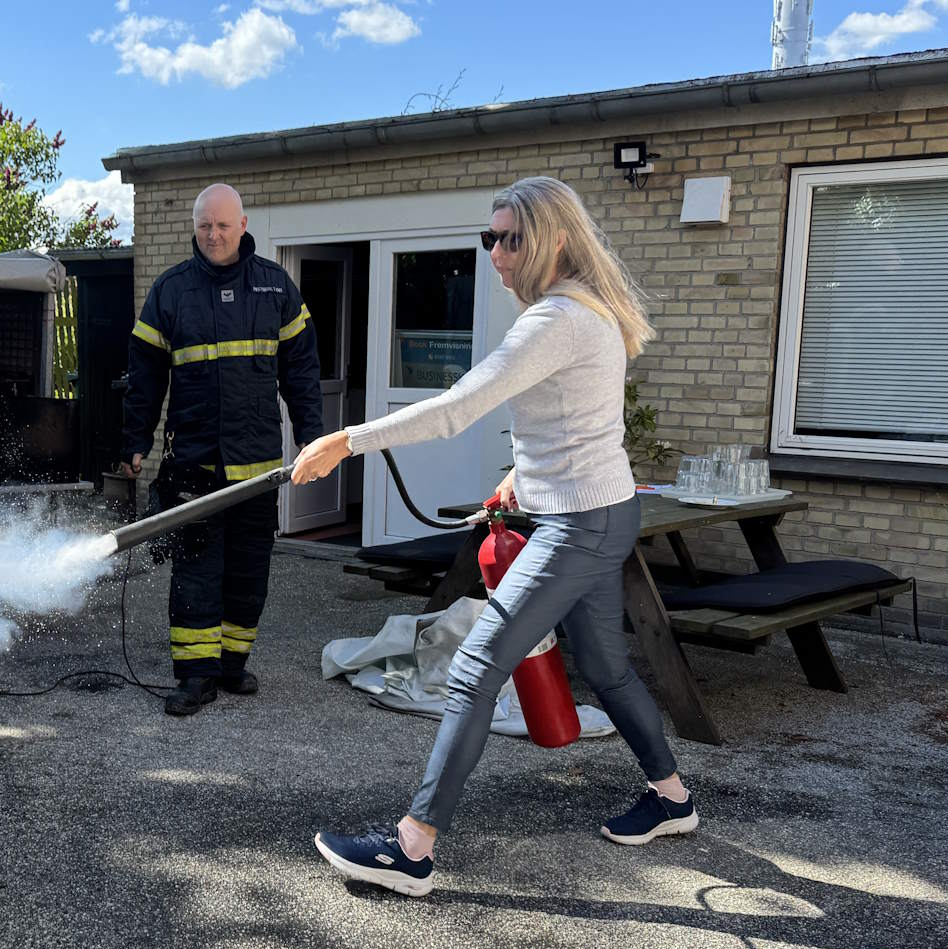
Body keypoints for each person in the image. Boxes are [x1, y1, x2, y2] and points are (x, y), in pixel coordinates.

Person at [291, 176, 698, 897]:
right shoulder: (587, 310)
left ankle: (411, 849)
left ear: (554, 240)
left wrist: (347, 440)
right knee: (605, 667)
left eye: (510, 238)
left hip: (580, 525)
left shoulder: (557, 320)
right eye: (490, 237)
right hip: (603, 511)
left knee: (477, 665)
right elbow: (576, 422)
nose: (496, 253)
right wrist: (520, 477)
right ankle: (672, 798)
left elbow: (457, 409)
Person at [121, 183, 324, 717]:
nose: (213, 235)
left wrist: (311, 434)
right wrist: (136, 440)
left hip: (257, 468)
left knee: (248, 570)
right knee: (196, 570)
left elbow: (301, 370)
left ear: (243, 225)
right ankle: (195, 676)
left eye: (223, 225)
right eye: (205, 225)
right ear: (195, 227)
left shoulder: (275, 287)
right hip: (195, 465)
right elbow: (144, 377)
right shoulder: (171, 291)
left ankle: (232, 663)